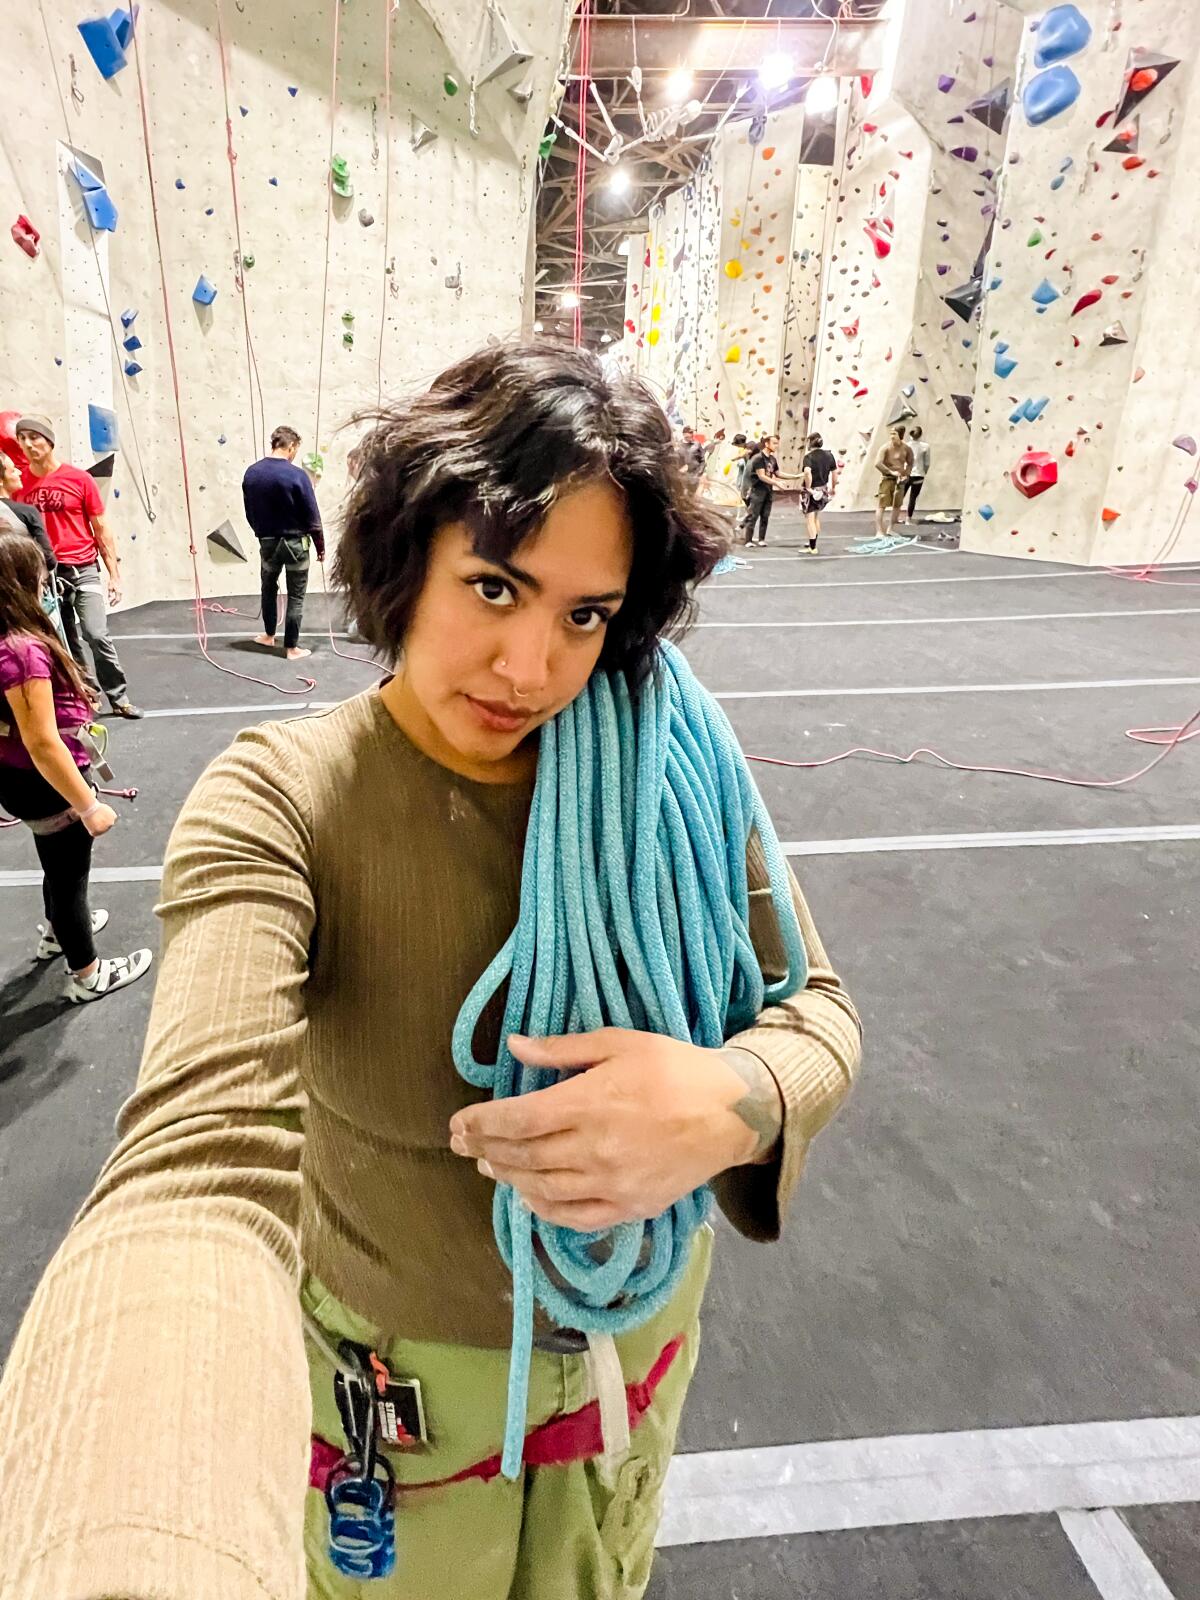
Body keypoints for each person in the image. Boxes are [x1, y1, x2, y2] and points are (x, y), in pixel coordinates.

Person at [0, 343, 861, 1599]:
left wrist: (732, 1099)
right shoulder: (281, 800)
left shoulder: (667, 764)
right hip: (403, 1414)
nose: (534, 668)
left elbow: (818, 1014)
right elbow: (198, 1164)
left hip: (632, 1362)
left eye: (586, 614)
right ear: (408, 557)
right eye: (496, 587)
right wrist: (133, 1545)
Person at [0, 527, 152, 1001]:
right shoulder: (23, 653)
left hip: (19, 777)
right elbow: (44, 742)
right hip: (42, 779)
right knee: (70, 879)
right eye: (40, 576)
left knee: (57, 866)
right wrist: (87, 805)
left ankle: (56, 934)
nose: (46, 584)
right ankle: (86, 974)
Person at [14, 415, 143, 718]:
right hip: (45, 574)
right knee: (66, 641)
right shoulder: (19, 485)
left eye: (35, 437)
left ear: (49, 441)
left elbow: (101, 528)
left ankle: (119, 695)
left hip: (83, 566)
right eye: (22, 438)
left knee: (96, 633)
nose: (29, 444)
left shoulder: (78, 479)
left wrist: (115, 575)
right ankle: (88, 692)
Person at [242, 424, 327, 660]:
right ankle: (291, 648)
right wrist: (320, 546)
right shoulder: (297, 475)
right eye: (295, 449)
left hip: (267, 542)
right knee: (296, 595)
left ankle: (269, 636)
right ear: (290, 446)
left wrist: (263, 534)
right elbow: (312, 516)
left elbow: (250, 512)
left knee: (268, 589)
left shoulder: (252, 473)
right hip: (296, 544)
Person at [799, 433, 840, 554]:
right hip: (823, 489)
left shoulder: (809, 457)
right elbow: (834, 473)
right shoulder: (829, 455)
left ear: (810, 442)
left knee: (810, 518)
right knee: (816, 516)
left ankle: (812, 547)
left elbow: (807, 472)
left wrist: (808, 487)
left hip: (813, 491)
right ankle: (813, 541)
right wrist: (833, 488)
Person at [741, 433, 782, 546]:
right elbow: (762, 476)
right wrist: (776, 483)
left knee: (765, 515)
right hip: (757, 491)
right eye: (774, 443)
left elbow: (778, 473)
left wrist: (797, 476)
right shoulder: (758, 458)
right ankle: (748, 540)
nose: (776, 446)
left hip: (768, 491)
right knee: (753, 515)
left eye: (777, 443)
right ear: (766, 443)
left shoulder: (772, 459)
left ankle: (761, 539)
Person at [874, 424, 913, 536]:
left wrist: (906, 474)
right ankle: (879, 531)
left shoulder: (906, 448)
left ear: (900, 435)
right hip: (887, 479)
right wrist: (890, 472)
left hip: (900, 480)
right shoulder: (885, 447)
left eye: (894, 434)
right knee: (882, 505)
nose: (892, 436)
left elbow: (910, 463)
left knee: (897, 505)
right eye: (891, 433)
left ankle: (890, 528)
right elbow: (878, 463)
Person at [901, 425, 930, 524]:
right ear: (921, 434)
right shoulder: (925, 446)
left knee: (901, 495)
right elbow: (927, 463)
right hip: (919, 474)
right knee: (913, 497)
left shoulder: (905, 445)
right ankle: (908, 519)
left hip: (907, 473)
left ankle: (895, 516)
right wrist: (924, 471)